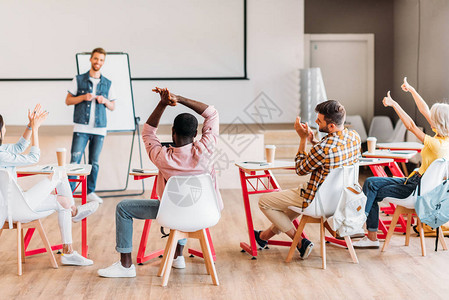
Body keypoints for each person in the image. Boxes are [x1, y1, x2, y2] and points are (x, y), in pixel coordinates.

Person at [98, 87, 221, 278]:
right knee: (185, 202)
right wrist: (179, 98)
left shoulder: (162, 157)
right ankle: (178, 256)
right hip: (207, 212)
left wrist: (163, 103)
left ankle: (125, 266)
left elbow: (148, 132)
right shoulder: (207, 149)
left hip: (173, 213)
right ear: (196, 134)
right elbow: (211, 113)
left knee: (123, 208)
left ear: (173, 133)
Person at [254, 100, 361, 259]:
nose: (316, 123)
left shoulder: (323, 148)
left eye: (319, 121)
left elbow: (300, 169)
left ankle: (300, 242)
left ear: (331, 126)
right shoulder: (354, 137)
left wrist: (303, 139)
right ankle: (263, 237)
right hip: (341, 201)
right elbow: (332, 155)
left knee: (264, 201)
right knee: (288, 208)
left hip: (315, 201)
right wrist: (313, 142)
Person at [353, 77, 449, 249]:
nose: (430, 118)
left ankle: (360, 227)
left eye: (433, 118)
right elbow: (424, 109)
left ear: (439, 122)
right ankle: (367, 231)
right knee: (372, 186)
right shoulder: (445, 140)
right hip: (418, 185)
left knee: (371, 186)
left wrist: (394, 104)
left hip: (414, 189)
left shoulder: (435, 144)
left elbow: (411, 126)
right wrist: (411, 90)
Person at [0, 104, 98, 265]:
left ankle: (68, 252)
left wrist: (30, 126)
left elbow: (19, 147)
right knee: (59, 172)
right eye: (3, 126)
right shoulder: (1, 154)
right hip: (17, 209)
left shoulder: (2, 151)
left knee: (63, 202)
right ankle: (75, 212)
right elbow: (33, 157)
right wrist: (36, 129)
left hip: (13, 206)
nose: (5, 128)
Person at [65, 47, 117, 204]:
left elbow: (113, 106)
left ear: (103, 62)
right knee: (75, 161)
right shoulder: (79, 79)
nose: (98, 62)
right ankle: (70, 195)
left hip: (99, 129)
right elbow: (68, 100)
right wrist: (82, 97)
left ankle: (90, 192)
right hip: (81, 128)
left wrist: (105, 101)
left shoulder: (107, 83)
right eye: (96, 59)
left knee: (94, 163)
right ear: (91, 59)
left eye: (101, 60)